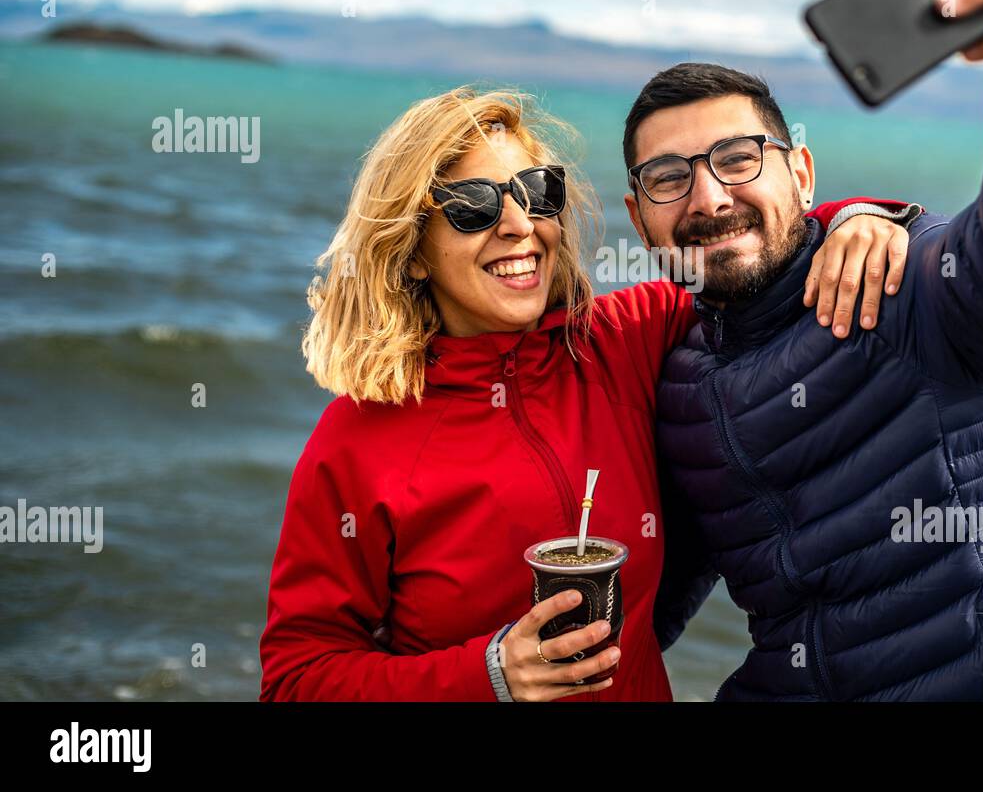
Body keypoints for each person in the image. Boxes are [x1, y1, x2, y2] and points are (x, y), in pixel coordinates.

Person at [257, 85, 915, 701]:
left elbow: (747, 257)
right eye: (473, 206)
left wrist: (855, 220)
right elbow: (295, 676)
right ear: (414, 250)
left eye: (535, 192)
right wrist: (489, 675)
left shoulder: (627, 339)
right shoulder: (358, 438)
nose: (518, 224)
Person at [632, 0, 983, 700]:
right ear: (637, 216)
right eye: (667, 178)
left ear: (802, 173)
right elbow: (650, 602)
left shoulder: (908, 288)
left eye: (738, 159)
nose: (709, 198)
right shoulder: (681, 380)